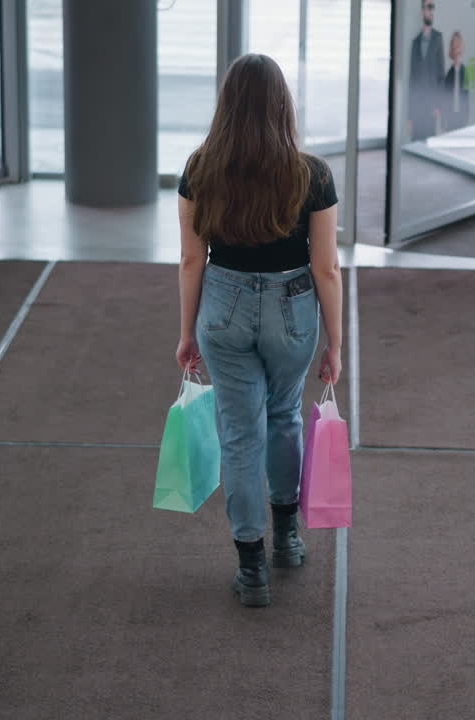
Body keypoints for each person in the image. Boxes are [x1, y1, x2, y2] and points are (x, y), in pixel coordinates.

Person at [176, 54, 342, 609]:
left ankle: (251, 569)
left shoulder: (200, 169)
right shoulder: (310, 175)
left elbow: (190, 261)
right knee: (284, 415)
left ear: (226, 107)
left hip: (222, 305)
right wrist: (336, 342)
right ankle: (288, 538)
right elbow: (326, 268)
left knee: (239, 433)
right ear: (281, 105)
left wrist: (187, 333)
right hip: (293, 306)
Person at [408, 0, 445, 140]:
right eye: (429, 7)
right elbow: (411, 80)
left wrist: (438, 104)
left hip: (431, 105)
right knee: (415, 143)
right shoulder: (415, 43)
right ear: (422, 10)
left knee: (428, 141)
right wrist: (409, 116)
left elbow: (441, 75)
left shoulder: (438, 38)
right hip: (417, 106)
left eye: (433, 7)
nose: (431, 11)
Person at [442, 31, 471, 132]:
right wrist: (443, 121)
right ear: (452, 50)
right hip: (450, 118)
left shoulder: (466, 72)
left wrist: (466, 118)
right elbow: (445, 100)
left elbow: (467, 97)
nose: (456, 49)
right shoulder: (448, 74)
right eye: (454, 46)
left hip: (462, 118)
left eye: (458, 45)